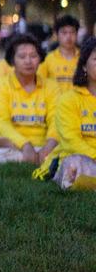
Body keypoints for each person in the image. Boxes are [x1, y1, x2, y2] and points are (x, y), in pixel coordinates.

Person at [0, 33, 58, 164]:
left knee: (67, 155)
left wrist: (48, 146)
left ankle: (39, 158)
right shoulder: (0, 87)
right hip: (14, 146)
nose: (28, 61)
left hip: (45, 145)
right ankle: (37, 160)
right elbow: (1, 124)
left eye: (33, 56)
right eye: (22, 56)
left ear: (40, 59)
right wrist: (25, 145)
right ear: (12, 61)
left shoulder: (52, 87)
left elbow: (56, 121)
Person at [38, 36, 96, 188]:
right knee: (75, 165)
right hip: (79, 157)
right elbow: (72, 141)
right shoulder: (68, 100)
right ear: (84, 66)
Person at [41, 14, 80, 89]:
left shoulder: (84, 58)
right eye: (64, 33)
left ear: (77, 34)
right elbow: (40, 83)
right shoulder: (48, 59)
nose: (68, 37)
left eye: (72, 32)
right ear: (57, 35)